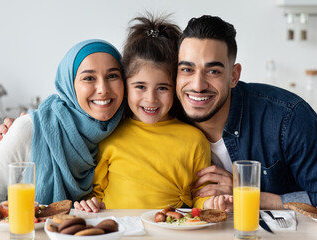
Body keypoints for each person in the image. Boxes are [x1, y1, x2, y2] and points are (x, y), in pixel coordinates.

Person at [74, 15, 233, 213]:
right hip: (121, 231)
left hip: (172, 230)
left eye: (162, 88)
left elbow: (201, 194)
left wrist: (211, 203)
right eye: (140, 86)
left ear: (175, 87)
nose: (151, 99)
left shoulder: (194, 140)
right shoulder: (110, 137)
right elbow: (95, 193)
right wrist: (91, 204)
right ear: (125, 86)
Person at [0, 39, 125, 208]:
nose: (103, 89)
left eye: (112, 76)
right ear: (69, 84)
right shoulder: (28, 129)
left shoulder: (123, 130)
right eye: (89, 78)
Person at [176, 15, 317, 209]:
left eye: (213, 71)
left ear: (234, 76)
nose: (198, 85)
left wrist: (246, 194)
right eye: (187, 69)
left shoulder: (289, 117)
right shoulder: (165, 118)